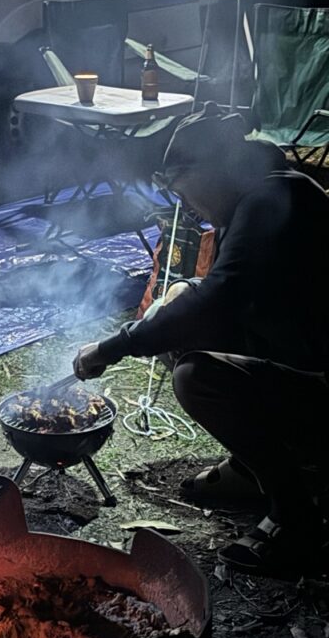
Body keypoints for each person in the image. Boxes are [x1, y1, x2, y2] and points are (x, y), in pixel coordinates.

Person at [72, 102, 329, 579]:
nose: (184, 205)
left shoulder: (275, 201)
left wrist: (112, 347)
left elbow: (220, 298)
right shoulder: (257, 196)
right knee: (180, 302)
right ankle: (251, 470)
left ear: (216, 170)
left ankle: (297, 520)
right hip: (301, 353)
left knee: (199, 378)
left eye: (182, 188)